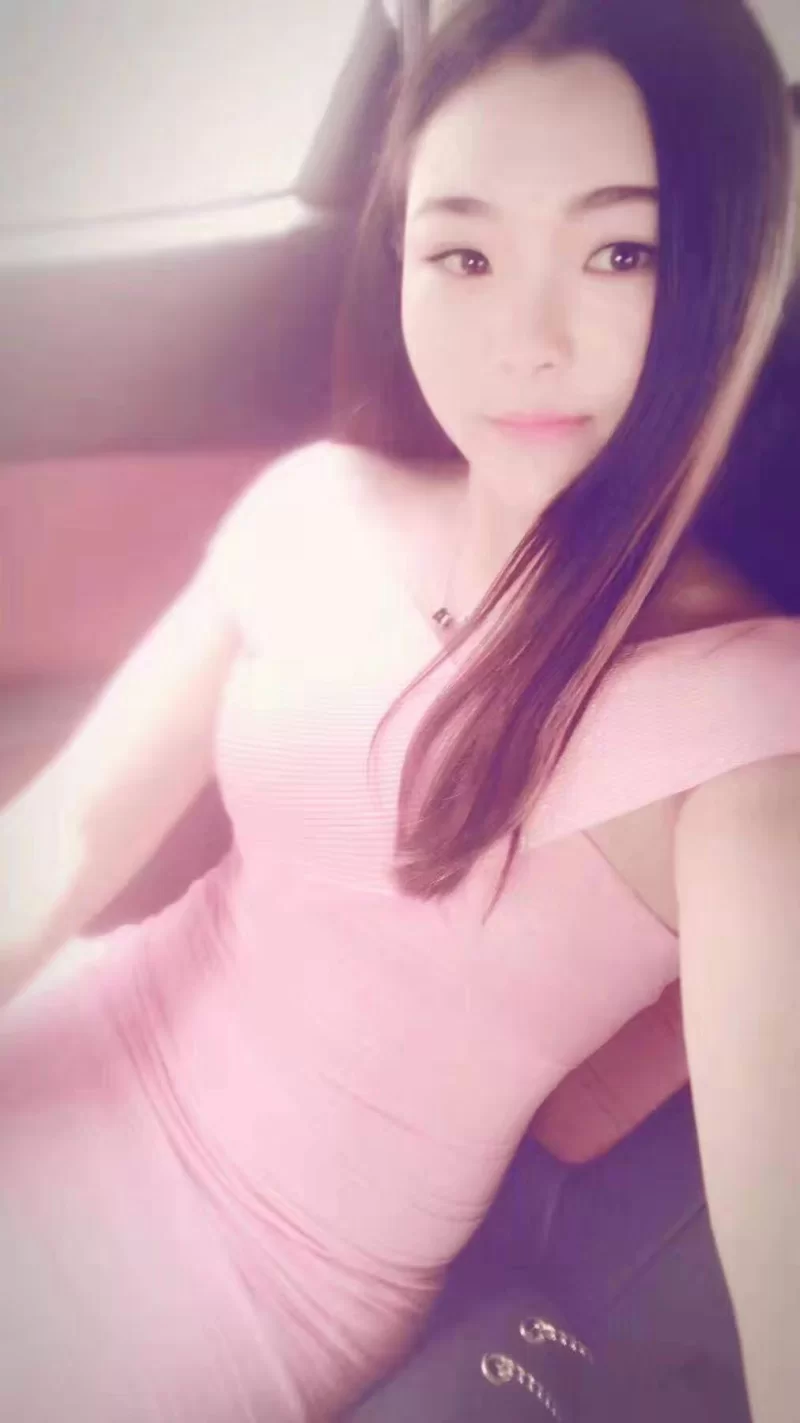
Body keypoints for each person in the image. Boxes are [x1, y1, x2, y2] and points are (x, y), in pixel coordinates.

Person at [1, 1, 798, 1420]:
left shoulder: (747, 734)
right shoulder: (324, 504)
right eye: (464, 253)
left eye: (620, 250)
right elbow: (64, 841)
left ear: (730, 267)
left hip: (240, 1281)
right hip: (74, 1048)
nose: (524, 341)